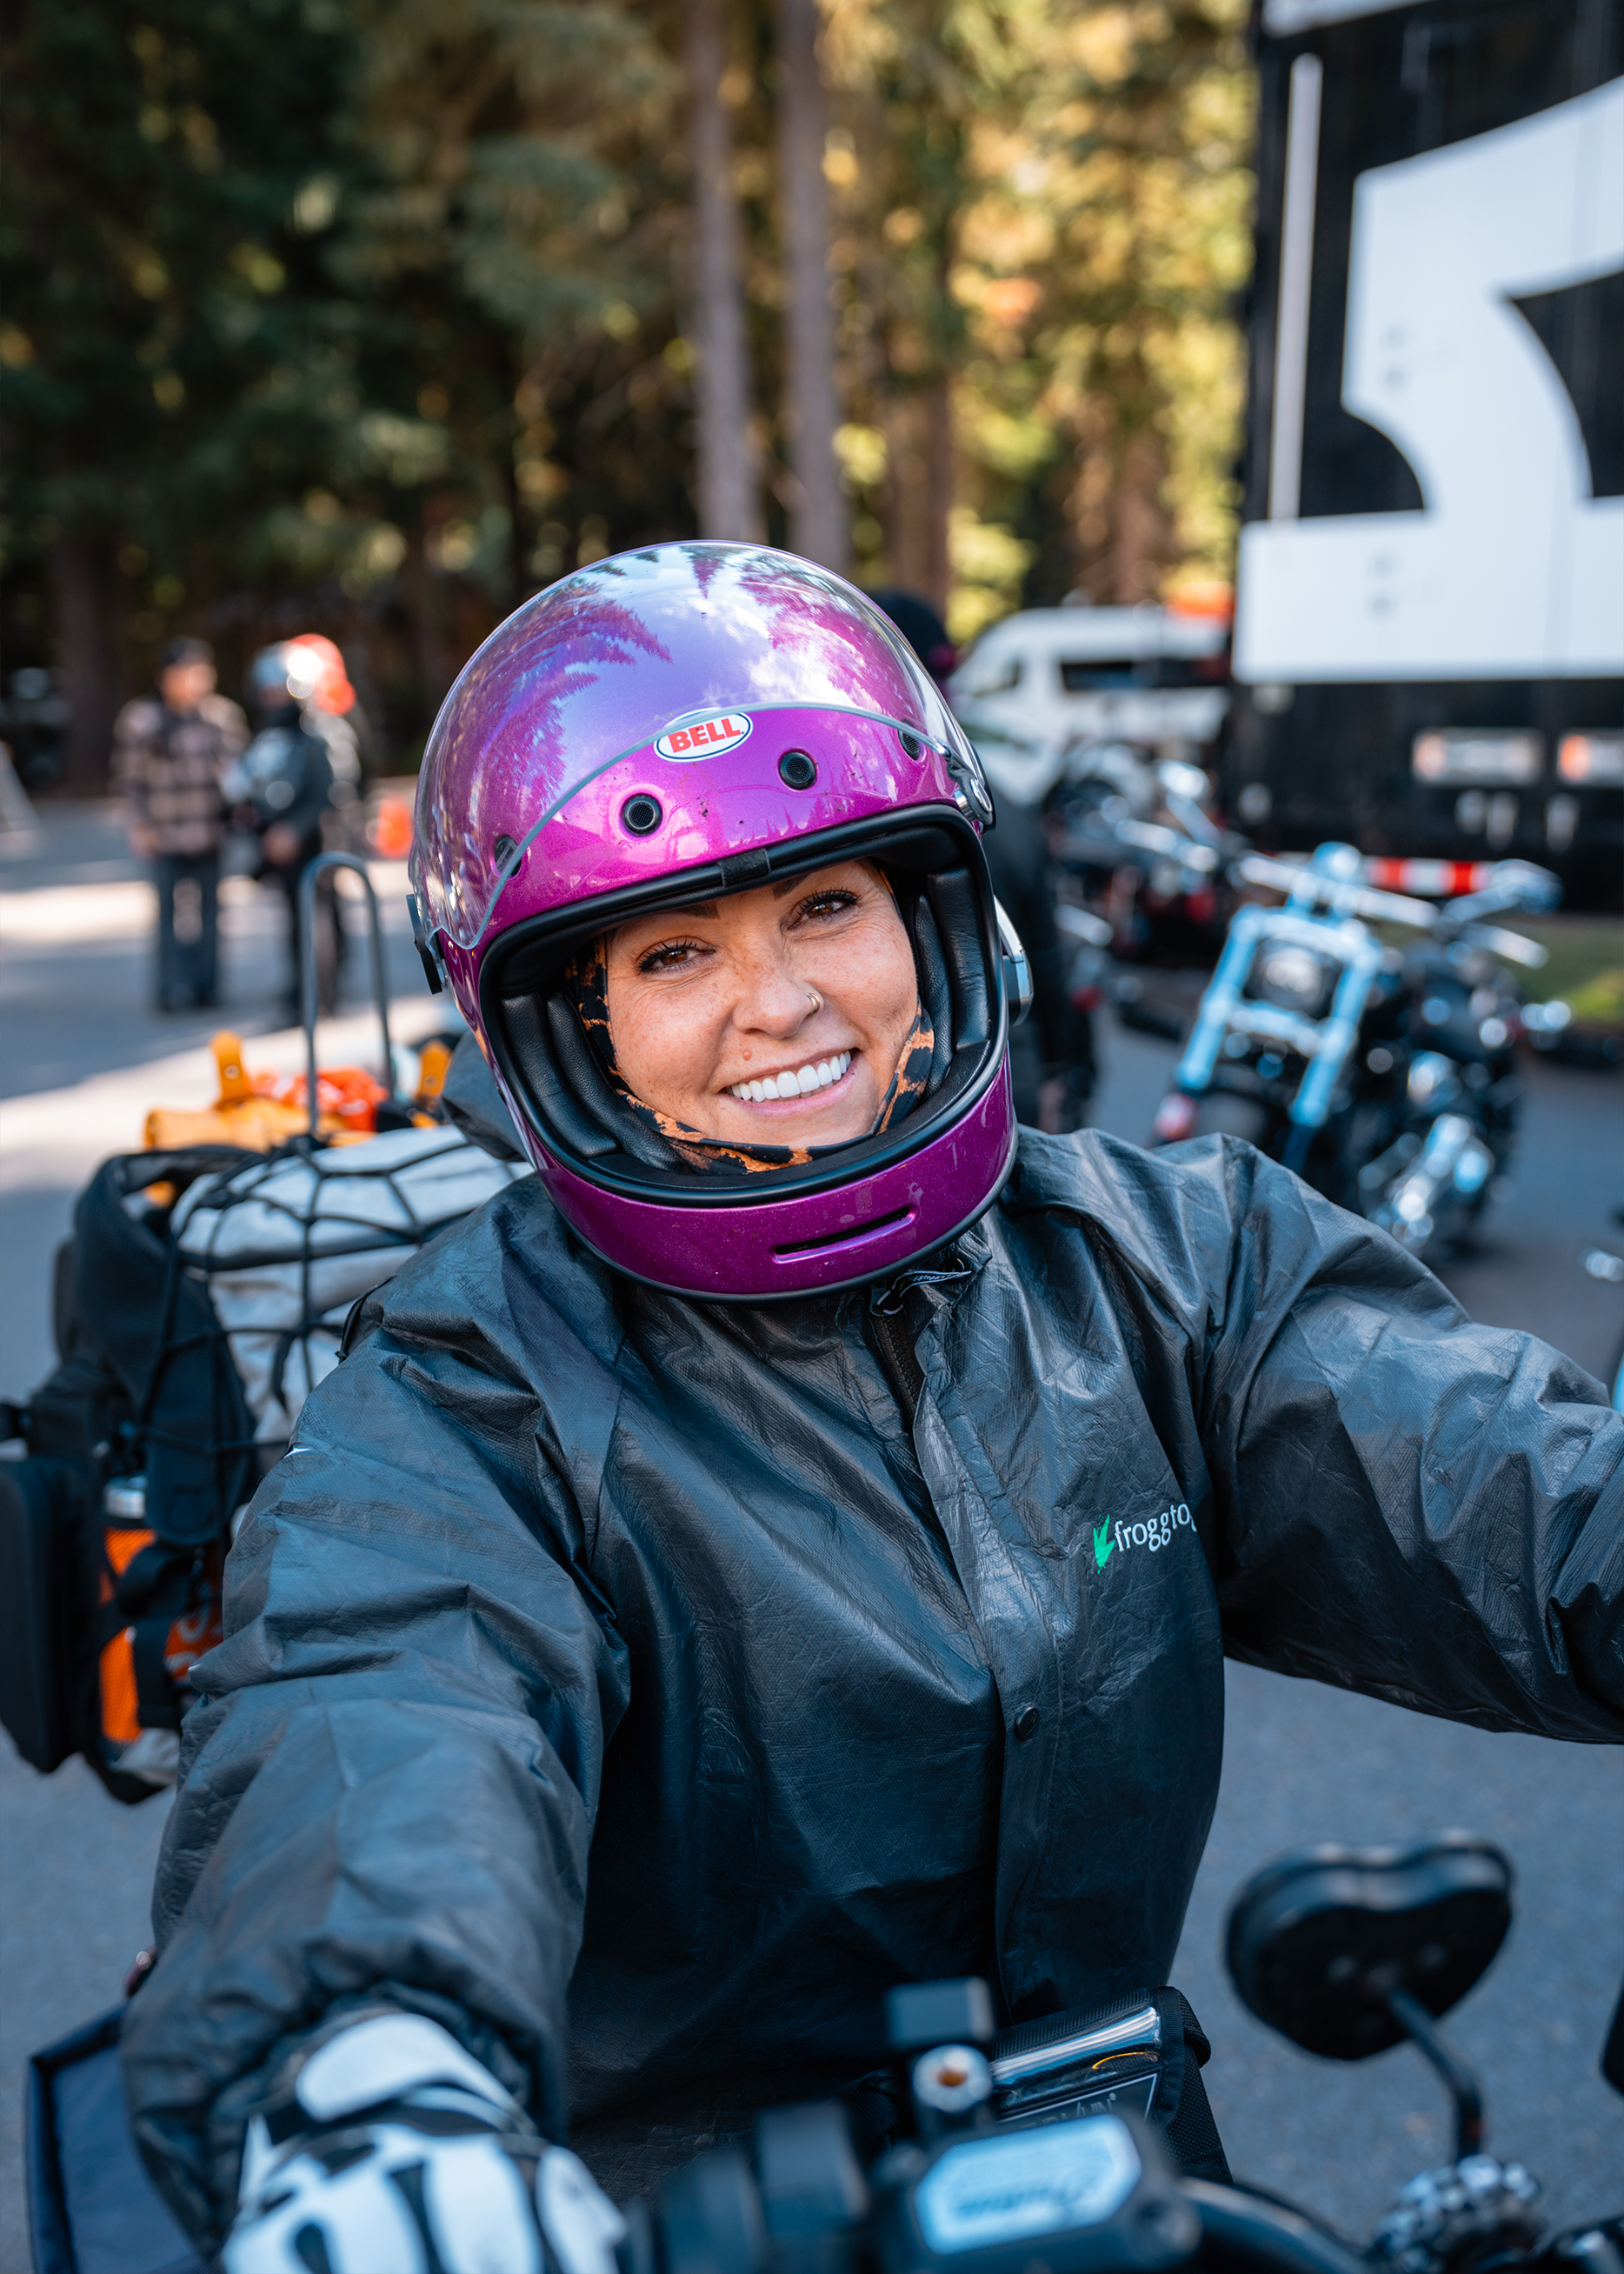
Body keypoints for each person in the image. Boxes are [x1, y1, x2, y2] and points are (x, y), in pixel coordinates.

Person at [122, 546, 1622, 2273]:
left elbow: (1520, 1490)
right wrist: (374, 2082)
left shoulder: (1178, 1257)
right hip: (661, 2225)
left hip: (1127, 2194)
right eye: (675, 948)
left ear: (932, 914)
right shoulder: (470, 1391)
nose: (779, 1001)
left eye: (825, 904)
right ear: (578, 1023)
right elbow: (375, 1715)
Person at [870, 589, 1092, 1126]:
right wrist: (1060, 1065)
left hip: (910, 1108)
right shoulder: (1002, 806)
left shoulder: (841, 820)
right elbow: (1046, 959)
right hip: (1011, 1086)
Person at [113, 636, 247, 1011]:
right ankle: (170, 988)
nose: (191, 681)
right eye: (182, 673)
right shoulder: (142, 721)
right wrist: (139, 825)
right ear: (164, 678)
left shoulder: (223, 717)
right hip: (165, 834)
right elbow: (129, 780)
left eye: (199, 672)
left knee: (210, 914)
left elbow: (239, 775)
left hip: (210, 831)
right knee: (170, 917)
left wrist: (240, 813)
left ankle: (207, 986)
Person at [232, 644, 338, 1018]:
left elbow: (328, 791)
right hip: (281, 847)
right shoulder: (268, 733)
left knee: (316, 920)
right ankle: (300, 990)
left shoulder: (319, 733)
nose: (273, 699)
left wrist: (293, 830)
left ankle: (317, 997)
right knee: (295, 922)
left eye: (280, 690)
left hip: (314, 843)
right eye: (267, 691)